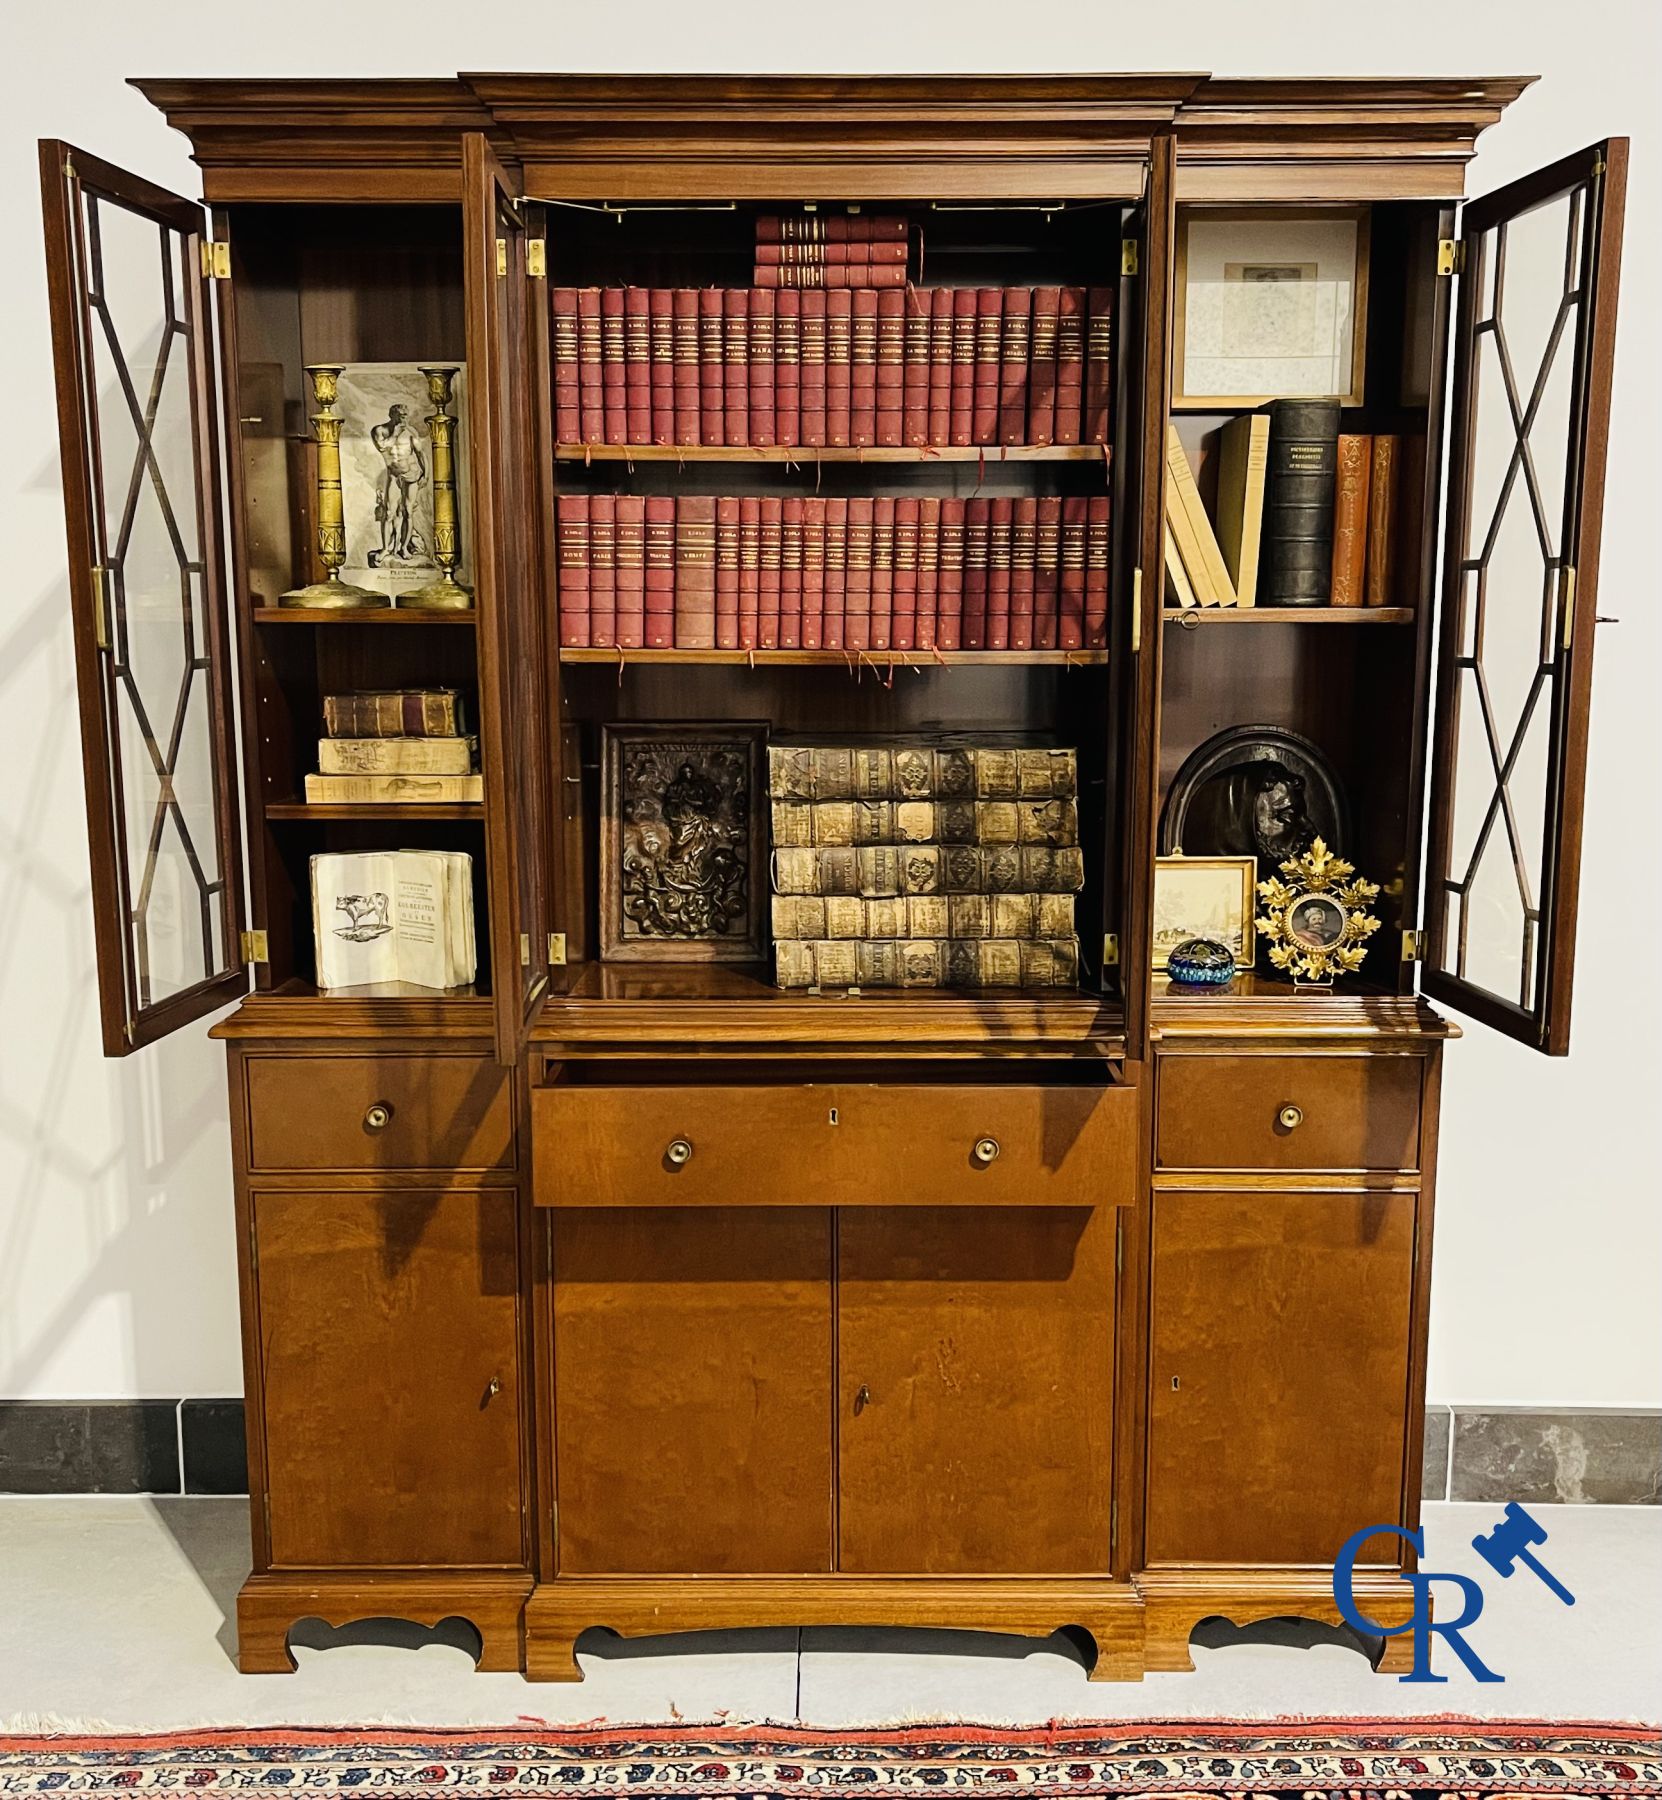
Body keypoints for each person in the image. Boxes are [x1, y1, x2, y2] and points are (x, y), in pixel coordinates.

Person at [369, 403, 428, 565]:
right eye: (400, 416)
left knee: (408, 512)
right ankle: (385, 549)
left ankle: (404, 548)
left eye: (405, 416)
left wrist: (426, 474)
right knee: (388, 512)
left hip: (411, 475)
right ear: (392, 416)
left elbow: (421, 454)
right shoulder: (379, 431)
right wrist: (395, 433)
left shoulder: (411, 433)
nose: (404, 419)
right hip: (394, 475)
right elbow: (382, 447)